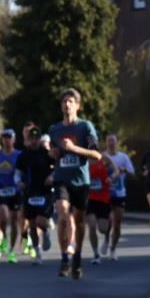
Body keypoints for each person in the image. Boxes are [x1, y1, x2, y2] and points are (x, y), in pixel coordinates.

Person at [48, 89, 100, 279]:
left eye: (70, 101)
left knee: (78, 221)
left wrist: (73, 148)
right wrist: (52, 154)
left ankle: (77, 256)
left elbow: (96, 155)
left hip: (80, 181)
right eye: (64, 102)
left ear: (77, 105)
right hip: (61, 178)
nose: (67, 104)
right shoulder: (54, 130)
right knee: (62, 213)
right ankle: (64, 258)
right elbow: (54, 154)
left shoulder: (85, 127)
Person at [15, 126, 55, 266]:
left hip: (44, 192)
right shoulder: (23, 155)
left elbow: (56, 169)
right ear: (28, 139)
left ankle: (46, 231)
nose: (34, 141)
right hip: (29, 192)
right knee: (31, 224)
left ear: (39, 139)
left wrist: (51, 176)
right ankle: (37, 253)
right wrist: (19, 182)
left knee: (39, 221)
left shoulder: (46, 153)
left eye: (36, 138)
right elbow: (17, 173)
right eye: (32, 138)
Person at [0, 129, 22, 263]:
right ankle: (4, 237)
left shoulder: (19, 155)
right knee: (3, 217)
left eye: (9, 137)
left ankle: (11, 250)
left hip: (15, 191)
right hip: (0, 189)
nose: (7, 140)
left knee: (15, 220)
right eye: (4, 137)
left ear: (14, 139)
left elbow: (23, 171)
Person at [104, 134, 135, 261]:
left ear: (117, 143)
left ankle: (113, 249)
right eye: (109, 141)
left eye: (113, 141)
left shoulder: (123, 157)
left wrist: (123, 169)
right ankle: (106, 239)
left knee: (117, 222)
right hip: (105, 193)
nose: (111, 143)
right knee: (107, 222)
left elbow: (132, 171)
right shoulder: (102, 156)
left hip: (119, 193)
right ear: (106, 143)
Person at [84, 152, 114, 266]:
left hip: (103, 199)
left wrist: (111, 177)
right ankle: (96, 254)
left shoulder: (103, 158)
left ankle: (107, 237)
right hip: (90, 199)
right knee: (91, 226)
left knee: (102, 229)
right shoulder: (84, 161)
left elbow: (115, 170)